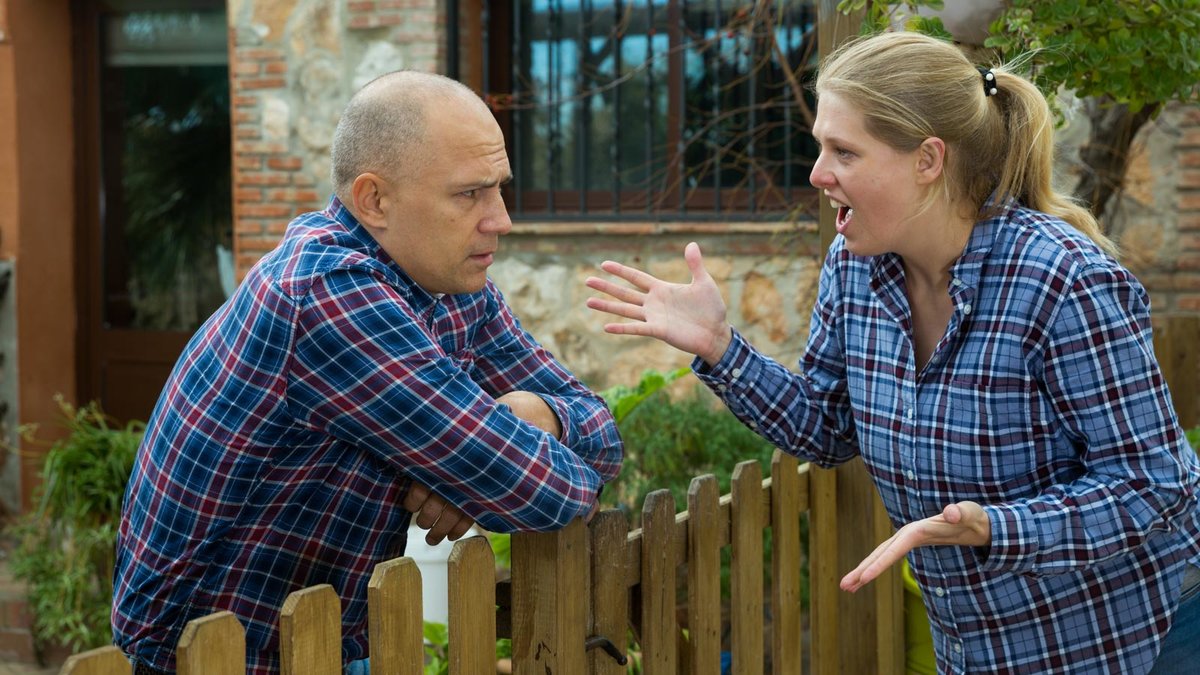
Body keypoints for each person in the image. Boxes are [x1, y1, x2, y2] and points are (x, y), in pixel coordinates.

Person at [586, 31, 1200, 674]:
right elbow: (826, 427)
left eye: (843, 151)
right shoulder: (855, 271)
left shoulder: (1062, 282)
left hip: (1141, 632)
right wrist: (721, 350)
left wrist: (996, 526)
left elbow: (1154, 485)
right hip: (982, 647)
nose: (819, 173)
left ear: (927, 160)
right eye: (821, 147)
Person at [112, 71, 623, 675]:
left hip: (326, 641)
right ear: (374, 199)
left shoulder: (450, 284)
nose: (501, 219)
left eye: (500, 190)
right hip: (214, 657)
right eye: (470, 195)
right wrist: (488, 468)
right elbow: (550, 494)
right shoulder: (327, 294)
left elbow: (603, 436)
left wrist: (538, 418)